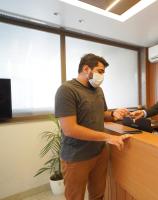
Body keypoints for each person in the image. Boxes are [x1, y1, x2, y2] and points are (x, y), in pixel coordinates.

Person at [55, 53, 130, 200]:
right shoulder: (66, 90)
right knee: (75, 197)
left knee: (98, 195)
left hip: (98, 153)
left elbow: (101, 114)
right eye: (100, 71)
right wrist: (108, 137)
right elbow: (70, 129)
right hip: (76, 156)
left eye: (103, 73)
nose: (102, 76)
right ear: (86, 69)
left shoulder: (98, 90)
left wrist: (114, 114)